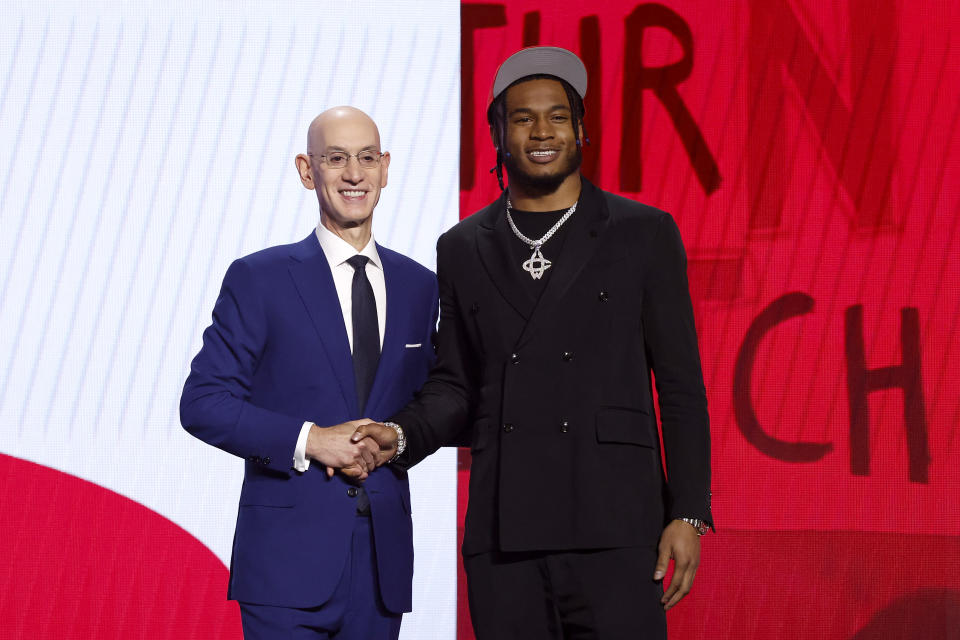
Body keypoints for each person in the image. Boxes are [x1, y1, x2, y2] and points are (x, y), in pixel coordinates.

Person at [352, 47, 714, 639]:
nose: (541, 131)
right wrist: (399, 434)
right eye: (522, 118)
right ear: (499, 133)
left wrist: (689, 511)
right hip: (505, 531)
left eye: (556, 116)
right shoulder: (463, 246)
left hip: (617, 525)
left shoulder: (642, 233)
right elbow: (456, 384)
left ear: (580, 129)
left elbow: (679, 386)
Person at [180, 106, 438, 639]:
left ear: (385, 168)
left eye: (367, 158)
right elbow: (203, 401)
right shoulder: (260, 278)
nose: (353, 174)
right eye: (335, 158)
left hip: (381, 562)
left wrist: (398, 437)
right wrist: (310, 440)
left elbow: (436, 402)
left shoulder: (420, 286)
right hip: (285, 561)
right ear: (306, 170)